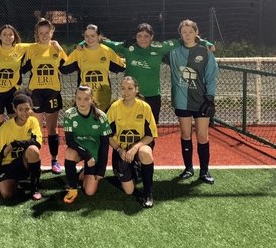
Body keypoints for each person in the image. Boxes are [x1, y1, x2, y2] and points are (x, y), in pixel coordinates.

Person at [87, 22, 214, 124]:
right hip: (132, 96)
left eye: (146, 36)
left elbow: (183, 40)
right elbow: (101, 40)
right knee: (131, 127)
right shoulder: (127, 47)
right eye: (139, 36)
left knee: (151, 132)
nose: (143, 39)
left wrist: (204, 42)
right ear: (135, 37)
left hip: (153, 97)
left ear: (152, 37)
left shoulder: (160, 48)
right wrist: (83, 43)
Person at [169, 19, 218, 184]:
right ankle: (188, 168)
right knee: (185, 134)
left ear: (196, 33)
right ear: (180, 34)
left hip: (201, 101)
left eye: (191, 31)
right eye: (184, 32)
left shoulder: (205, 51)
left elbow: (211, 75)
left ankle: (204, 171)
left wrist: (210, 98)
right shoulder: (173, 52)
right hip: (182, 100)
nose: (187, 35)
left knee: (203, 136)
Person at [22, 18, 68, 174]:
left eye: (47, 32)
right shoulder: (31, 49)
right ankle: (33, 159)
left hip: (52, 92)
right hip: (36, 93)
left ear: (52, 32)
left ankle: (54, 160)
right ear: (37, 34)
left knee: (52, 128)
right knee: (35, 128)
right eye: (41, 33)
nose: (44, 35)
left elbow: (67, 68)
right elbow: (21, 68)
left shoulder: (56, 48)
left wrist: (60, 49)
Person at [106, 76, 158, 208]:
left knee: (146, 152)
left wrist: (134, 148)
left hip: (139, 146)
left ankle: (148, 192)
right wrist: (119, 150)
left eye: (130, 88)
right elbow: (107, 135)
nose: (126, 92)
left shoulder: (144, 107)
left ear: (136, 90)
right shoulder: (114, 108)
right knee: (129, 191)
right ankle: (133, 169)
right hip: (121, 149)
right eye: (123, 88)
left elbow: (150, 136)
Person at [0, 90, 43, 201]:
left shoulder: (33, 122)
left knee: (33, 150)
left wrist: (14, 144)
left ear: (31, 108)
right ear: (14, 109)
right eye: (20, 110)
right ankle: (14, 182)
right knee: (7, 194)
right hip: (8, 165)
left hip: (24, 162)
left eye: (27, 109)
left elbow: (37, 143)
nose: (24, 113)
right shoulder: (6, 127)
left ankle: (35, 187)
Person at [62, 86, 111, 204]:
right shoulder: (69, 114)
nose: (82, 102)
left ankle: (84, 172)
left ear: (91, 99)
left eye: (86, 99)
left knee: (89, 191)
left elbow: (105, 145)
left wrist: (101, 170)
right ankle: (73, 188)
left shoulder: (101, 116)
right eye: (79, 98)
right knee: (69, 152)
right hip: (79, 150)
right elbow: (70, 142)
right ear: (75, 98)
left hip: (95, 153)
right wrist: (87, 155)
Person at [62, 24, 125, 112]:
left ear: (99, 36)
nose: (89, 39)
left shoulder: (107, 51)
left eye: (93, 36)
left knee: (102, 122)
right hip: (84, 97)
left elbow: (120, 67)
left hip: (103, 96)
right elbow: (64, 69)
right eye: (87, 36)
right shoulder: (79, 52)